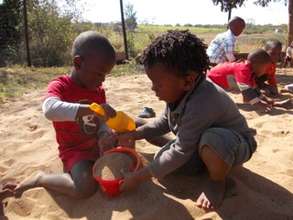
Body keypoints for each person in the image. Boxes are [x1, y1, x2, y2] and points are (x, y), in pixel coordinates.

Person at [118, 30, 257, 210]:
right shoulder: (180, 91)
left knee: (210, 140)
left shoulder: (203, 100)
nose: (153, 89)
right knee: (164, 159)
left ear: (188, 80)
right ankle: (194, 153)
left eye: (158, 84)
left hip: (234, 145)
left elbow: (181, 150)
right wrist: (135, 134)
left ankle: (217, 181)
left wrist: (138, 177)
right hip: (198, 142)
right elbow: (164, 122)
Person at [2, 31, 118, 199]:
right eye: (99, 74)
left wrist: (104, 133)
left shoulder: (98, 91)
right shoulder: (60, 86)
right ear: (78, 63)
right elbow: (50, 109)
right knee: (85, 188)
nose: (102, 80)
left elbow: (101, 122)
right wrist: (87, 110)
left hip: (96, 146)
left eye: (106, 75)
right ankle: (41, 178)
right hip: (75, 151)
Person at [207, 49, 292, 112]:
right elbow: (247, 94)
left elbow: (255, 90)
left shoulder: (250, 72)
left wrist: (267, 100)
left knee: (251, 91)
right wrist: (260, 104)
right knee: (247, 92)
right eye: (265, 68)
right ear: (257, 64)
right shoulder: (243, 69)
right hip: (210, 84)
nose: (265, 71)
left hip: (218, 87)